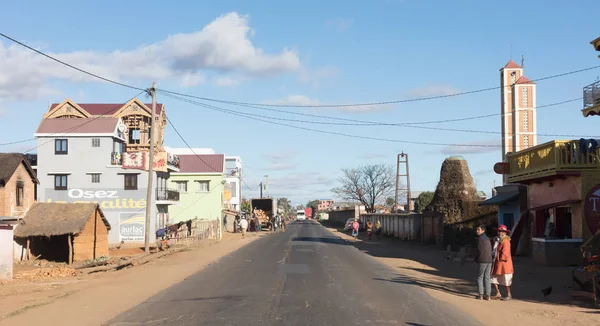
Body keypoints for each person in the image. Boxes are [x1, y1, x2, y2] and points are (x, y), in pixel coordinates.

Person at [491, 224, 514, 300]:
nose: (500, 233)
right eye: (499, 231)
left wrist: (501, 259)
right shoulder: (497, 240)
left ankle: (509, 294)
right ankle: (498, 292)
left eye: (501, 231)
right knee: (494, 277)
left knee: (506, 279)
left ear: (505, 233)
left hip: (504, 263)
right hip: (497, 262)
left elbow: (505, 252)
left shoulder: (506, 241)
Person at [474, 224, 493, 300]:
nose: (477, 231)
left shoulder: (480, 239)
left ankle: (481, 295)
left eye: (478, 230)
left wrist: (477, 258)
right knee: (487, 277)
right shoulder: (487, 238)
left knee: (480, 277)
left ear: (483, 230)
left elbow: (479, 250)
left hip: (482, 260)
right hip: (489, 260)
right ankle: (488, 295)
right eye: (477, 229)